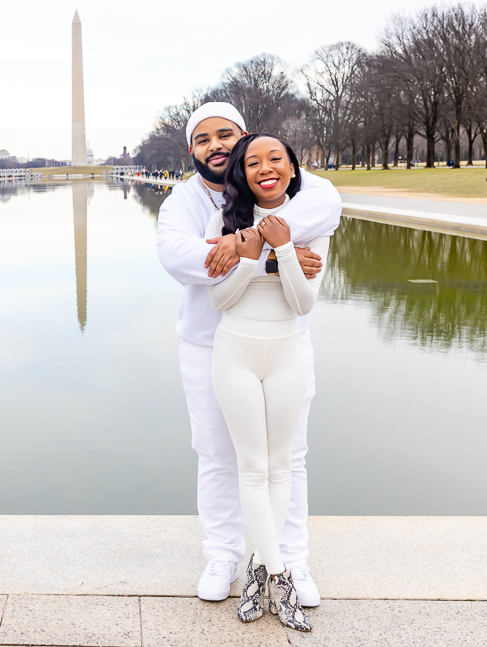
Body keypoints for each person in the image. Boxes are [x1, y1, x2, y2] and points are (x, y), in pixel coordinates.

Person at [156, 102, 340, 607]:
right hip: (207, 344)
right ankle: (224, 553)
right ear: (190, 150)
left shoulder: (303, 186)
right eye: (202, 139)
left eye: (225, 135)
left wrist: (244, 242)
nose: (214, 145)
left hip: (282, 341)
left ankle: (288, 558)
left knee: (289, 457)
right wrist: (273, 252)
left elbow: (325, 210)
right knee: (217, 455)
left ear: (244, 139)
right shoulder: (183, 201)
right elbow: (180, 258)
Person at [206, 132, 333, 631]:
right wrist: (257, 254)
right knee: (252, 466)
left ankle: (261, 570)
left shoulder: (313, 221)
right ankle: (278, 575)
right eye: (253, 162)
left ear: (291, 167)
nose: (265, 169)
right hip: (234, 351)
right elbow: (219, 301)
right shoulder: (228, 222)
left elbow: (303, 303)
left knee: (281, 466)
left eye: (275, 159)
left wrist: (277, 249)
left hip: (286, 351)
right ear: (242, 172)